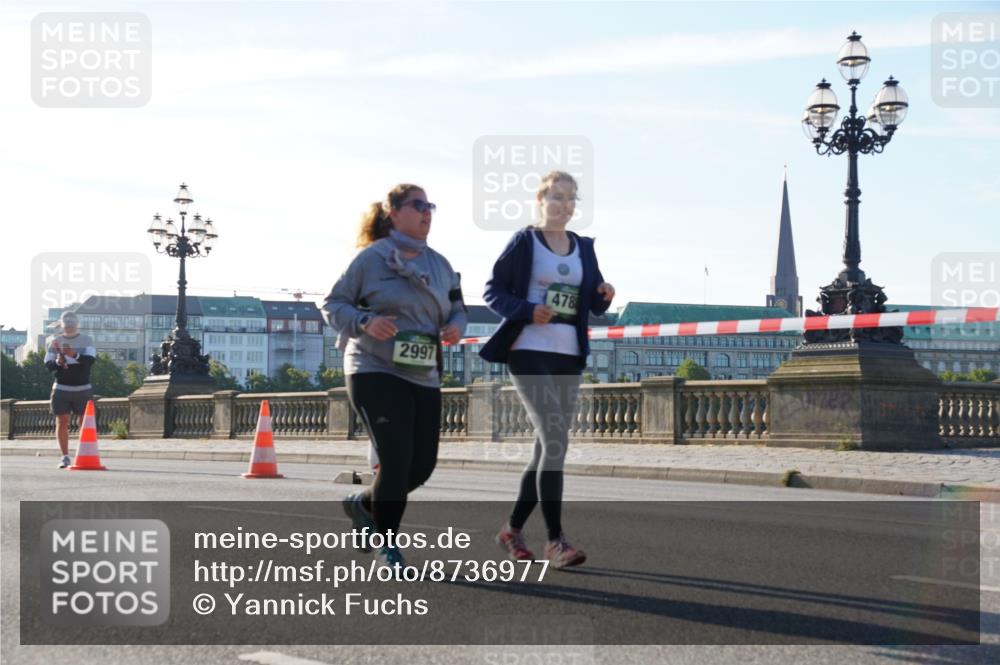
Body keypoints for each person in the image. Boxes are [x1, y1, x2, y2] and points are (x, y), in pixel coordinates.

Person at [322, 183, 467, 568]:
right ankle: (387, 546)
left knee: (422, 466)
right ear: (394, 213)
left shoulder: (440, 264)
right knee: (396, 458)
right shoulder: (369, 260)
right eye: (418, 205)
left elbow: (458, 308)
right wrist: (365, 322)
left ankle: (364, 503)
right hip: (374, 368)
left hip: (422, 372)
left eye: (430, 205)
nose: (427, 212)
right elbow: (332, 304)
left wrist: (456, 326)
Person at [480, 171, 615, 569]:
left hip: (568, 354)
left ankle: (511, 529)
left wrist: (604, 295)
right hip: (528, 351)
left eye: (571, 198)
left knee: (548, 447)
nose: (565, 205)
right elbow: (492, 291)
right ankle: (556, 542)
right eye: (556, 197)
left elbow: (591, 303)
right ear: (540, 200)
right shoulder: (525, 241)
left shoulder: (583, 247)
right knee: (555, 439)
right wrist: (527, 310)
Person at [44, 311, 96, 468]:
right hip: (61, 387)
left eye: (72, 323)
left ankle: (83, 453)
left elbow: (90, 361)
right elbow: (48, 364)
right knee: (62, 421)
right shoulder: (55, 342)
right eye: (67, 323)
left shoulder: (87, 340)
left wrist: (74, 354)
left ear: (77, 324)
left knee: (84, 422)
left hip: (83, 387)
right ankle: (65, 456)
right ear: (62, 324)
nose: (70, 325)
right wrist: (58, 363)